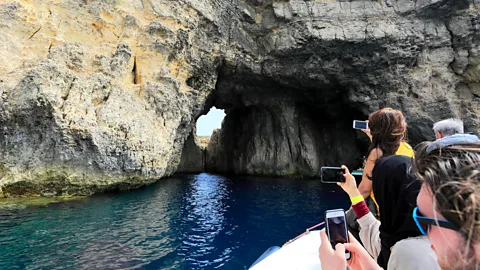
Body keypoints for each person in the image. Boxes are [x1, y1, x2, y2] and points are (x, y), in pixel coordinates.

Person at [319, 142, 480, 270]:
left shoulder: (407, 251)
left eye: (429, 222)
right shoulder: (395, 239)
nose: (427, 238)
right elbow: (373, 228)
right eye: (419, 216)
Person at [348, 108, 414, 242]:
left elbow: (365, 189)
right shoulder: (407, 149)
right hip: (405, 212)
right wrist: (372, 136)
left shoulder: (376, 153)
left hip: (384, 213)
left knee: (349, 220)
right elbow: (387, 145)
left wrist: (350, 209)